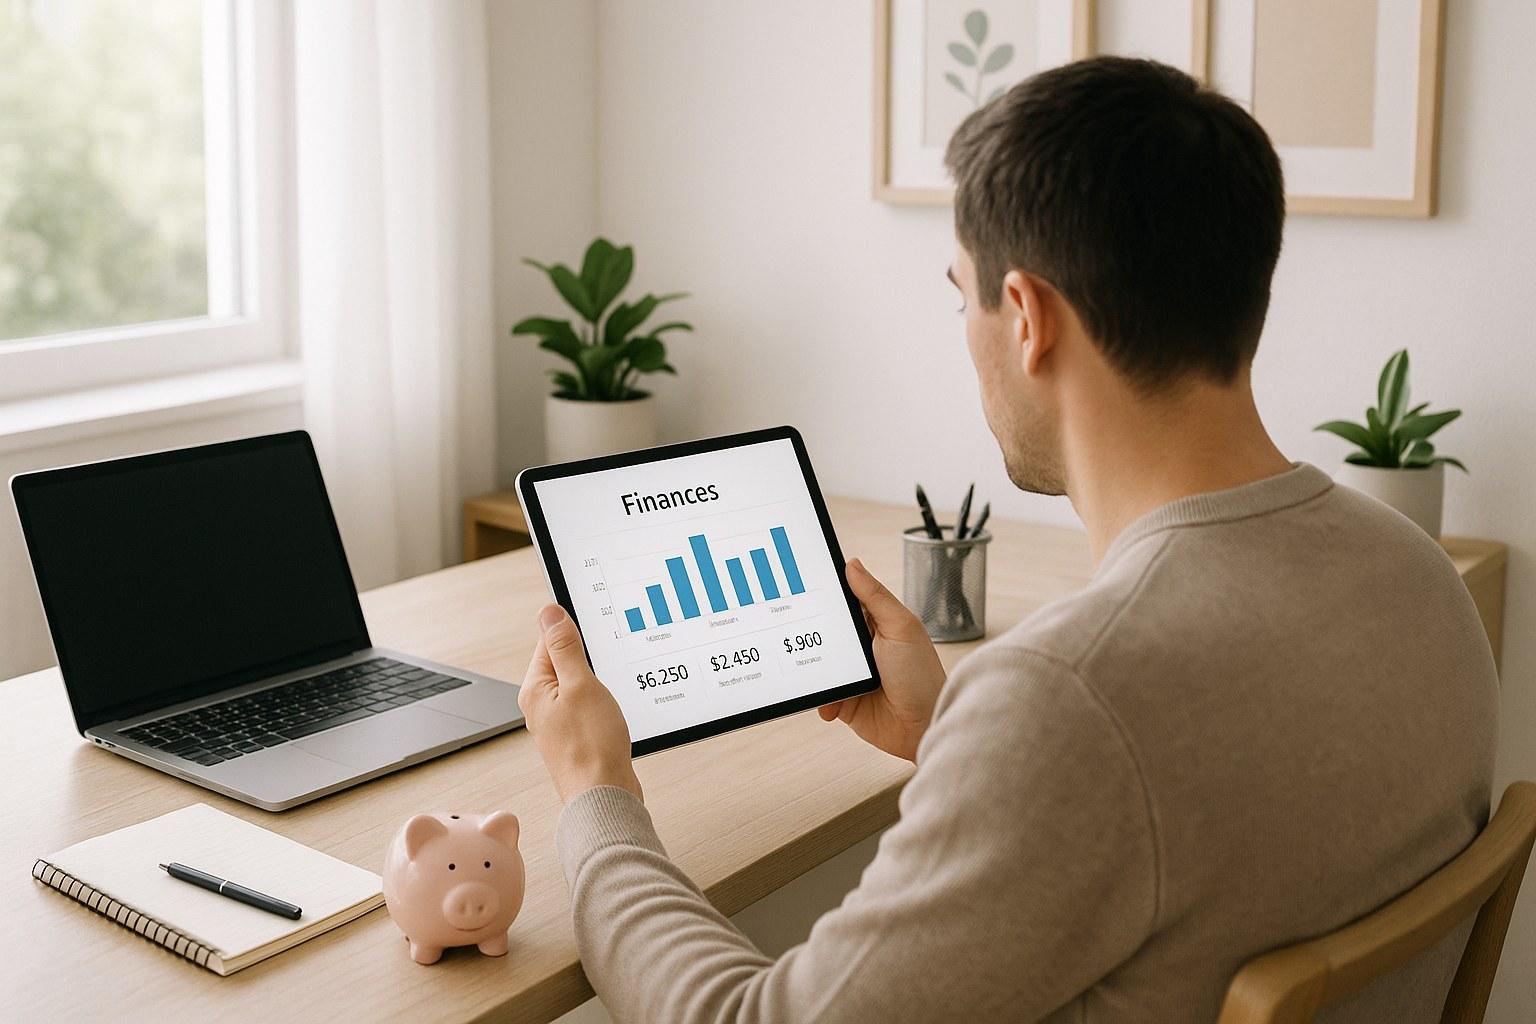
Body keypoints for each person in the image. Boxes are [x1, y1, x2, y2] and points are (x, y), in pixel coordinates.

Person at [515, 57, 1498, 1023]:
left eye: (963, 296)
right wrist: (954, 735)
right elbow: (1205, 815)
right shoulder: (1417, 575)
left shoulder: (1073, 697)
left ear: (1027, 316)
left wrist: (597, 790)